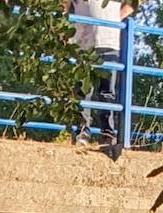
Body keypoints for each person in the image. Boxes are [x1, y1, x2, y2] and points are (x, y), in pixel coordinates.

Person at [67, 0, 135, 154]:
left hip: (109, 42)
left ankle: (108, 133)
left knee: (107, 91)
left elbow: (135, 3)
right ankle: (82, 131)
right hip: (83, 43)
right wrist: (65, 28)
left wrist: (117, 17)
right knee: (84, 90)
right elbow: (63, 5)